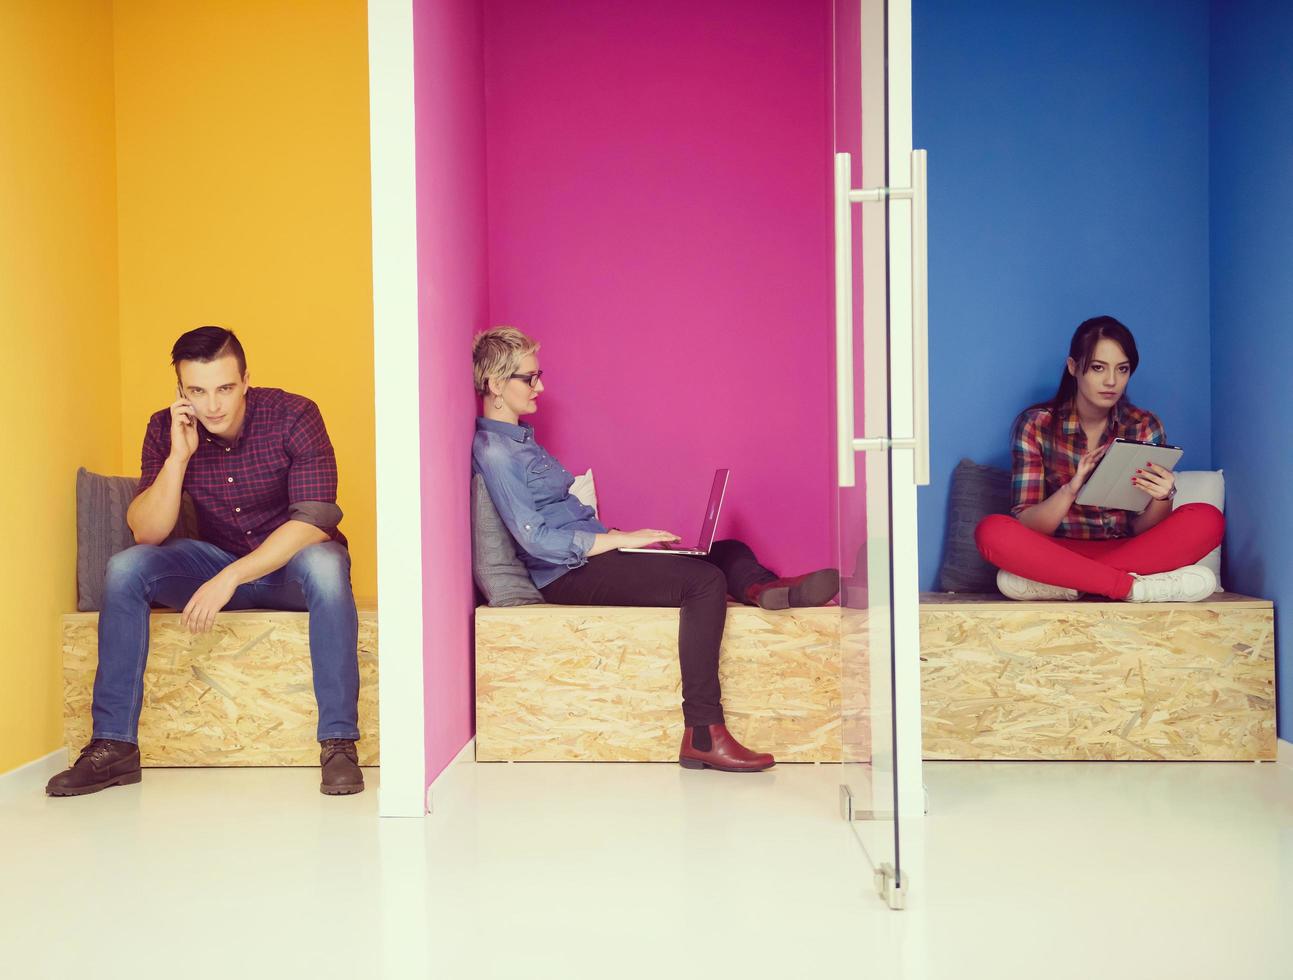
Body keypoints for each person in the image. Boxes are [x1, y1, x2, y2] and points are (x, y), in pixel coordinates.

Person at [471, 327, 841, 773]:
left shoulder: (520, 442)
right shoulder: (496, 454)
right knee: (704, 581)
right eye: (529, 378)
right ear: (494, 385)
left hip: (592, 556)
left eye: (538, 375)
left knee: (724, 549)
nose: (541, 387)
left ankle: (764, 590)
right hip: (566, 574)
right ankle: (703, 733)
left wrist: (617, 540)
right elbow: (535, 539)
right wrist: (620, 541)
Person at [47, 327, 364, 797]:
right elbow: (148, 530)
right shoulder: (166, 428)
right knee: (126, 568)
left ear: (246, 380)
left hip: (289, 568)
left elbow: (315, 519)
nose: (213, 405)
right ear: (181, 391)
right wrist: (178, 457)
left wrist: (230, 578)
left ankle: (339, 743)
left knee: (326, 565)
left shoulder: (295, 414)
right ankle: (114, 746)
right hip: (212, 561)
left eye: (225, 388)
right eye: (197, 391)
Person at [975, 316, 1224, 602]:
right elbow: (1029, 524)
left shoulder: (1144, 425)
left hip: (1127, 550)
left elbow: (1142, 528)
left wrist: (1163, 498)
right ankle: (1130, 588)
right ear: (1073, 368)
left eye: (1122, 369)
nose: (1111, 381)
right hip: (1056, 551)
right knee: (992, 531)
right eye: (1098, 368)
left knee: (1207, 518)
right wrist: (1071, 489)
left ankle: (1067, 583)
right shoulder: (1036, 425)